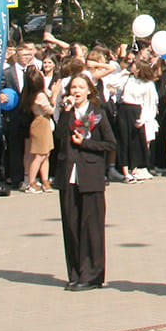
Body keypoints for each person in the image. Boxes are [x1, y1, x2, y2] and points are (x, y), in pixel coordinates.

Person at [54, 73, 117, 289]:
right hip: (68, 175)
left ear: (89, 90)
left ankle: (92, 275)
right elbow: (59, 136)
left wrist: (87, 144)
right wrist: (66, 111)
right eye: (73, 88)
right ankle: (75, 272)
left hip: (90, 175)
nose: (76, 91)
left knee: (91, 226)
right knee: (71, 225)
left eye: (81, 87)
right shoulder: (67, 112)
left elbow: (110, 144)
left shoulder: (97, 114)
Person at [20, 66, 53, 193]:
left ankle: (45, 180)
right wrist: (54, 97)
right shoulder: (39, 96)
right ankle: (31, 182)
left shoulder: (29, 93)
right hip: (41, 122)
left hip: (41, 122)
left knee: (46, 153)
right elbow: (50, 110)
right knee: (39, 155)